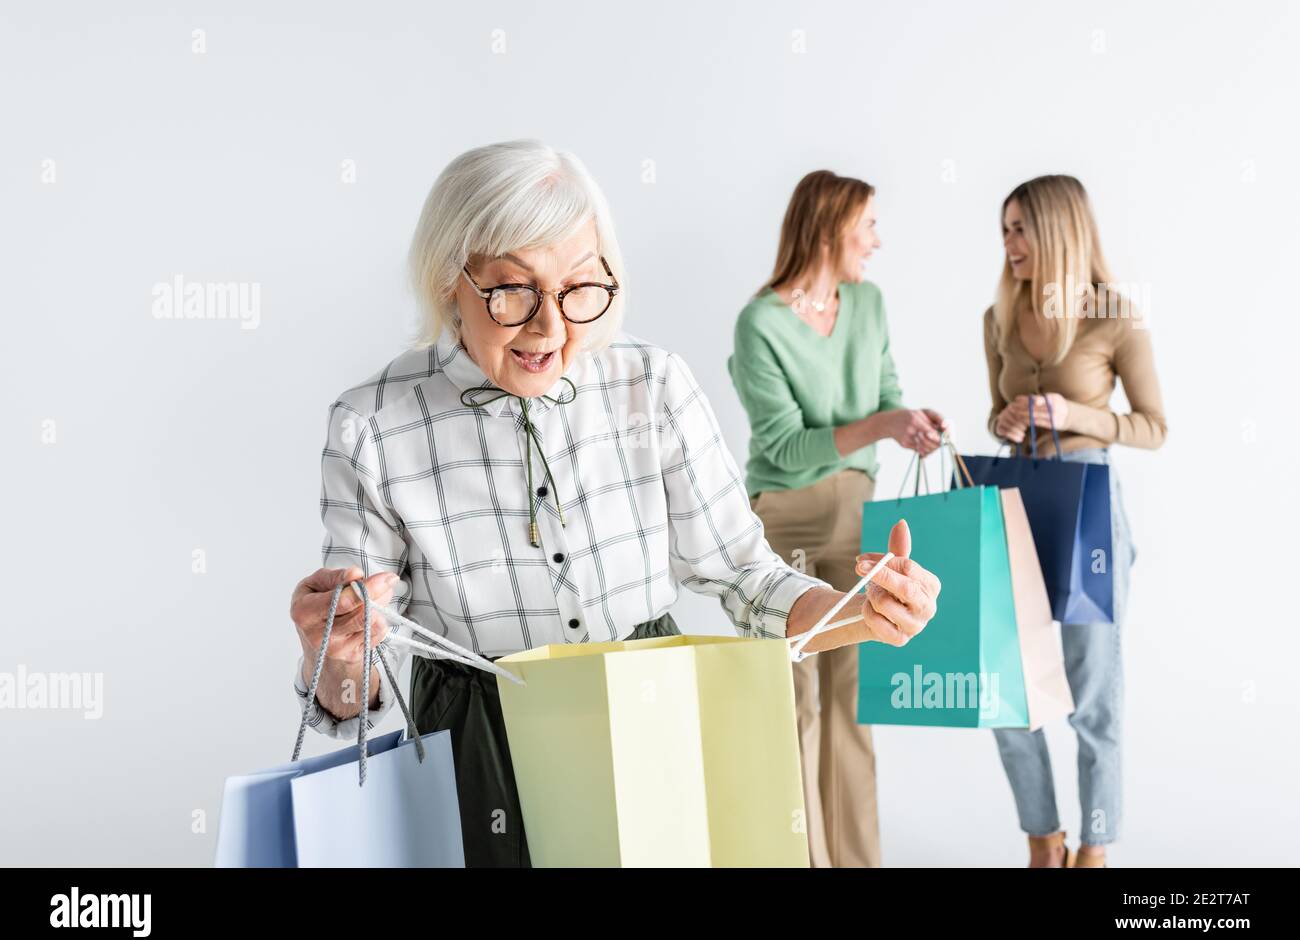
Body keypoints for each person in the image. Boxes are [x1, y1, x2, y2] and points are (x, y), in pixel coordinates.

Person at [287, 141, 941, 867]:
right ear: (449, 279)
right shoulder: (372, 423)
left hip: (653, 716)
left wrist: (861, 611)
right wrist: (334, 653)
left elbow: (745, 577)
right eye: (513, 291)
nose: (552, 329)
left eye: (579, 288)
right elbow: (353, 696)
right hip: (476, 742)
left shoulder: (651, 383)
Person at [728, 170, 947, 868]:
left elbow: (885, 392)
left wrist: (906, 424)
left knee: (853, 709)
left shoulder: (869, 303)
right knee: (795, 706)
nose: (877, 242)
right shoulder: (760, 322)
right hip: (782, 526)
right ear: (828, 229)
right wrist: (882, 421)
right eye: (869, 226)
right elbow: (788, 447)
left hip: (859, 519)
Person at [984, 174, 1167, 867]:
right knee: (1005, 682)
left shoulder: (1114, 315)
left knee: (1092, 689)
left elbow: (1154, 427)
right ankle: (1043, 837)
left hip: (1088, 505)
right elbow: (994, 413)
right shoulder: (997, 317)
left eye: (1020, 228)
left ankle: (1094, 847)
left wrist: (1072, 416)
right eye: (1004, 230)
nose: (1008, 244)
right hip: (1016, 505)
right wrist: (1002, 419)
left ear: (1059, 229)